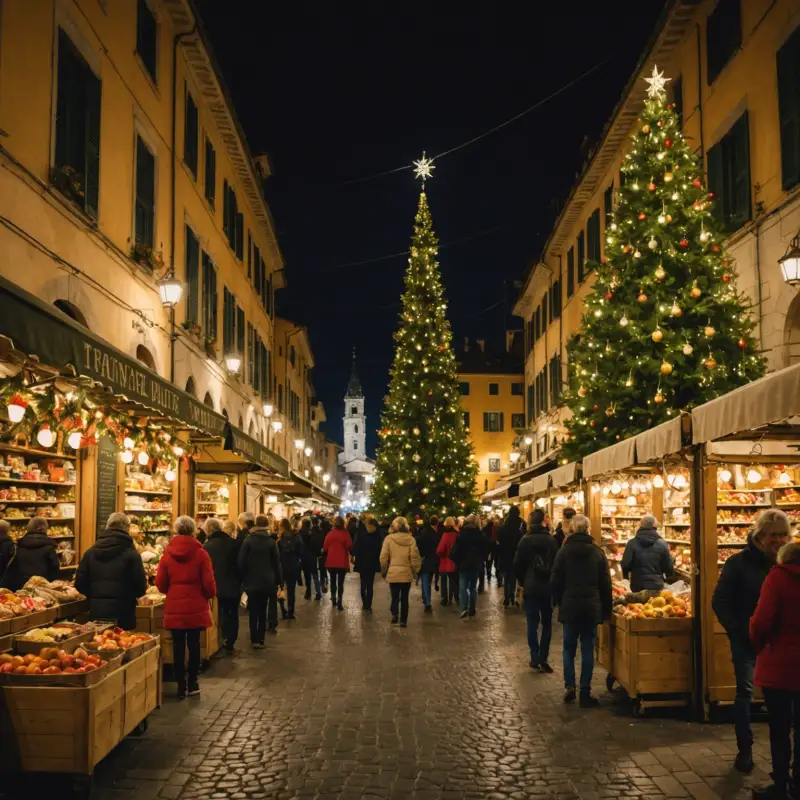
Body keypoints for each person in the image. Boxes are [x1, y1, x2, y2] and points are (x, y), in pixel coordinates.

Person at [713, 508, 790, 773]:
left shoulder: (788, 565)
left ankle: (782, 762)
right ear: (759, 537)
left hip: (778, 645)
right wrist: (738, 630)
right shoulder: (738, 563)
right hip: (746, 639)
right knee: (745, 692)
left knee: (781, 701)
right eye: (772, 535)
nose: (778, 540)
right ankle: (744, 748)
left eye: (783, 535)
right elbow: (719, 600)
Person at [749, 540, 800, 799]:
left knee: (779, 727)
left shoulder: (777, 578)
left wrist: (759, 646)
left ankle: (780, 782)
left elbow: (761, 620)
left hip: (778, 664)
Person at [551, 514, 612, 707]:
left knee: (568, 648)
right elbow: (606, 585)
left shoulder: (564, 552)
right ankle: (585, 691)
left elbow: (555, 580)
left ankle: (570, 685)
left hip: (570, 606)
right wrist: (607, 610)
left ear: (571, 530)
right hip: (591, 607)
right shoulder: (597, 553)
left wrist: (560, 601)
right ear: (588, 529)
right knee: (587, 649)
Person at [156, 516, 216, 699]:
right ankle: (193, 683)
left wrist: (172, 591)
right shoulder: (201, 554)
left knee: (177, 646)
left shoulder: (167, 554)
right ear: (194, 531)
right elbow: (209, 584)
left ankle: (180, 685)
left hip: (175, 607)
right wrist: (208, 595)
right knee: (195, 644)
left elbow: (160, 584)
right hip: (196, 606)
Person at [75, 512, 147, 630]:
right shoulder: (132, 555)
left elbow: (79, 584)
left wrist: (94, 596)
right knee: (121, 644)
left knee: (98, 645)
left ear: (107, 527)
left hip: (97, 612)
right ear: (127, 529)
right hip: (124, 614)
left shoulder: (90, 553)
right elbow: (140, 588)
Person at [514, 508, 559, 672]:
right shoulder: (551, 540)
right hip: (547, 587)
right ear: (543, 521)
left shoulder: (525, 540)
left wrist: (522, 581)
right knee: (547, 623)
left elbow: (517, 564)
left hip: (531, 587)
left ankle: (534, 656)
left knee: (532, 623)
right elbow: (556, 564)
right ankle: (543, 657)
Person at [239, 514, 283, 644]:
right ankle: (261, 638)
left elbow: (241, 561)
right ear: (266, 526)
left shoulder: (248, 541)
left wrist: (243, 578)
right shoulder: (270, 542)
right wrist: (280, 581)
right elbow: (277, 563)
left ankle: (254, 639)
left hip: (252, 580)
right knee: (263, 610)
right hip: (267, 581)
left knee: (253, 610)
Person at [203, 517, 241, 653]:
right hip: (234, 584)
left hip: (216, 585)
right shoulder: (234, 543)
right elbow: (240, 565)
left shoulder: (207, 547)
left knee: (220, 613)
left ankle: (220, 640)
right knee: (233, 613)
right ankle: (231, 640)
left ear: (209, 530)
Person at [380, 516, 422, 627]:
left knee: (394, 596)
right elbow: (414, 557)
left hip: (393, 572)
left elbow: (383, 557)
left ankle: (394, 614)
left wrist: (383, 570)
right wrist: (416, 571)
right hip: (406, 573)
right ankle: (403, 620)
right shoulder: (411, 539)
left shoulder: (389, 539)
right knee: (405, 598)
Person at [0, 517, 59, 591]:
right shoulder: (49, 548)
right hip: (42, 590)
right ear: (42, 529)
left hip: (19, 589)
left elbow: (11, 568)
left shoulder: (17, 546)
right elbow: (55, 570)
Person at [621, 514, 674, 592]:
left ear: (641, 526)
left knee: (638, 604)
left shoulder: (631, 543)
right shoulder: (662, 544)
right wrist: (668, 580)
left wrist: (625, 579)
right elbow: (668, 567)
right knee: (656, 604)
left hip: (637, 586)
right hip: (656, 586)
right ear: (655, 527)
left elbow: (625, 564)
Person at [450, 514, 485, 620]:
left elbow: (455, 551)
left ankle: (464, 607)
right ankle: (472, 609)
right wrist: (480, 560)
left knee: (463, 587)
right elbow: (484, 550)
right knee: (473, 588)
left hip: (463, 564)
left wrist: (457, 561)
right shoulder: (480, 534)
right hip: (475, 564)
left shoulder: (461, 534)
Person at [497, 506, 525, 607]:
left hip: (505, 555)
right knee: (513, 578)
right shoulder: (520, 526)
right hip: (515, 555)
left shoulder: (503, 526)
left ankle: (506, 598)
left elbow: (499, 540)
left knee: (506, 577)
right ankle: (512, 596)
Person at [352, 518, 382, 610]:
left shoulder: (361, 533)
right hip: (372, 562)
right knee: (370, 584)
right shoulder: (378, 535)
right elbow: (380, 549)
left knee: (363, 583)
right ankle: (369, 604)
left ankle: (364, 603)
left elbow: (356, 546)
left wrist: (353, 556)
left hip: (362, 561)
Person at [323, 516, 352, 610]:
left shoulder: (330, 534)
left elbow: (325, 547)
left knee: (333, 581)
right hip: (342, 563)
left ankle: (333, 598)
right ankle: (340, 601)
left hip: (331, 562)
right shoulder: (346, 534)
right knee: (340, 583)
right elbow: (349, 546)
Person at [277, 518, 304, 619]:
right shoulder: (297, 536)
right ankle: (291, 612)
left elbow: (277, 555)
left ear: (282, 527)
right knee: (291, 590)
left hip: (282, 567)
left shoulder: (280, 539)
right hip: (293, 566)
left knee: (280, 588)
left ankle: (282, 609)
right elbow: (301, 552)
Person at [416, 516, 440, 612]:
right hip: (435, 560)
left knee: (425, 581)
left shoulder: (424, 533)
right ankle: (426, 600)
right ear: (437, 523)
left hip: (426, 560)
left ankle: (427, 601)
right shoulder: (438, 534)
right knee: (428, 581)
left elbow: (420, 546)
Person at [436, 518, 459, 606]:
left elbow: (439, 550)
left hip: (446, 562)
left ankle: (444, 599)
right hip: (455, 562)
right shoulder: (457, 534)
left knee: (444, 581)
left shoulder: (446, 535)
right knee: (454, 581)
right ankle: (456, 598)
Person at [299, 518, 322, 600]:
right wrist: (318, 554)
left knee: (307, 576)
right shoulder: (312, 534)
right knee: (315, 575)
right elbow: (316, 546)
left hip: (304, 557)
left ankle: (308, 592)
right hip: (312, 557)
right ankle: (318, 592)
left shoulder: (300, 534)